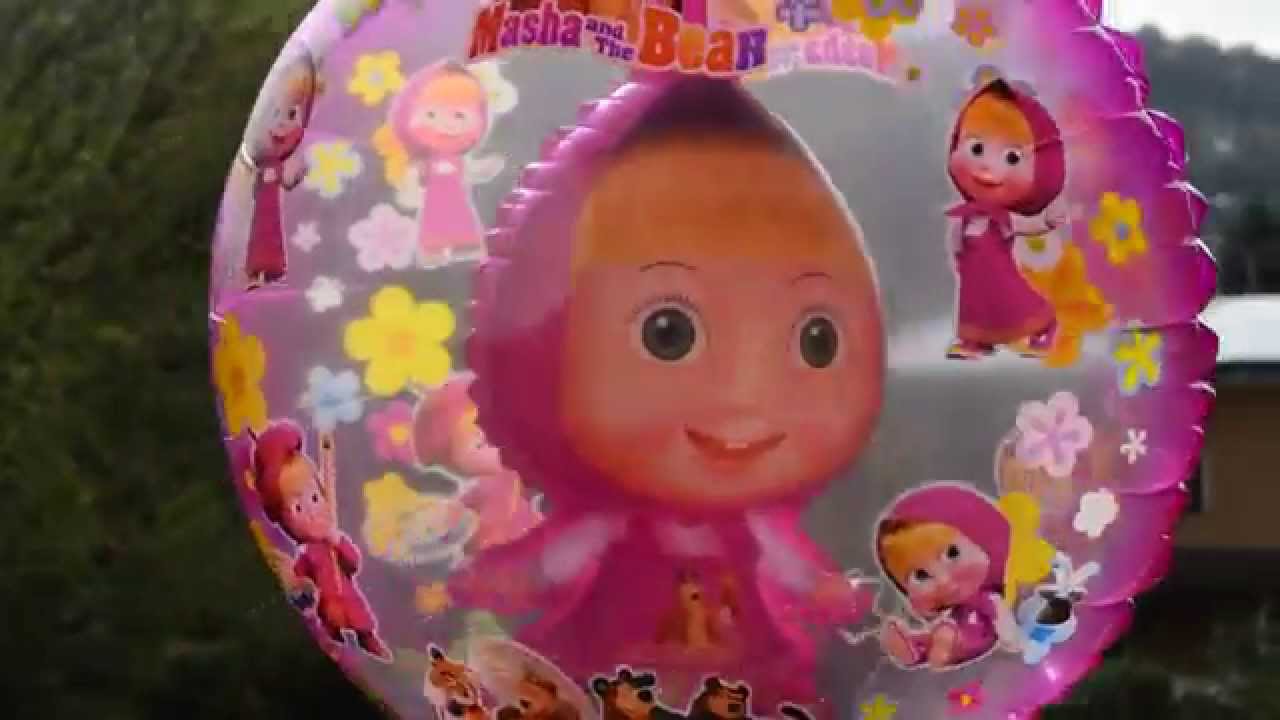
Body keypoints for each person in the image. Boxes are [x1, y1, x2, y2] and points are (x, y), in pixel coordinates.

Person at [454, 74, 883, 711]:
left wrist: (824, 591)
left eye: (816, 340)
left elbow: (794, 573)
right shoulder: (611, 524)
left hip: (743, 678)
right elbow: (556, 561)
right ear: (549, 341)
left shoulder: (754, 530)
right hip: (617, 676)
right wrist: (514, 577)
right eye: (668, 333)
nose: (742, 397)